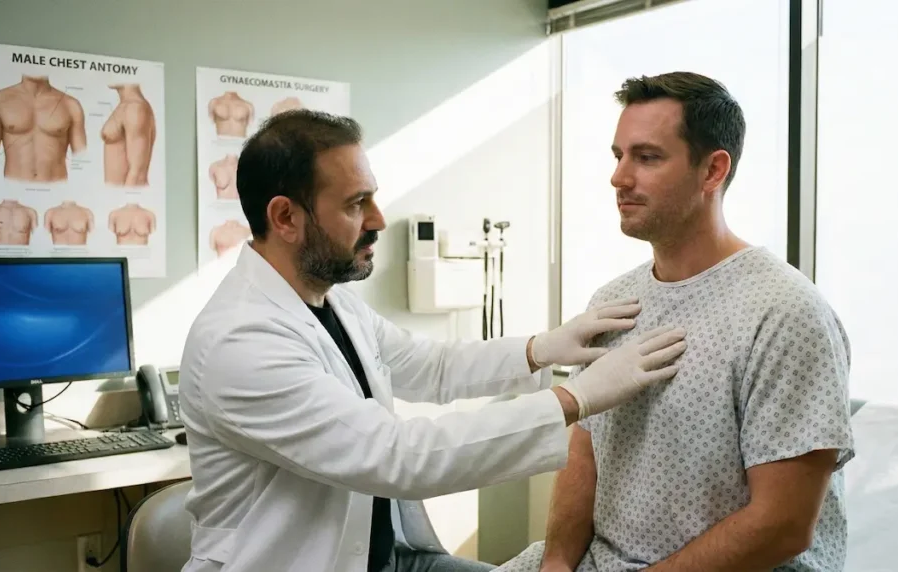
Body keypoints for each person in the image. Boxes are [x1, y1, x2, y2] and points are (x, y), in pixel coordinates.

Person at [177, 109, 689, 572]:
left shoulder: (330, 301)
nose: (378, 220)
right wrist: (575, 397)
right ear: (286, 218)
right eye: (357, 204)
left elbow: (431, 366)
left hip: (389, 556)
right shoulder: (241, 341)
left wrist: (543, 347)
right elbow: (396, 456)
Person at [497, 72, 855, 571]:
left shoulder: (784, 314)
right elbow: (585, 455)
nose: (619, 177)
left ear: (712, 171)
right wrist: (556, 562)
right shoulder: (615, 301)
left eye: (646, 158)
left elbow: (784, 525)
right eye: (618, 156)